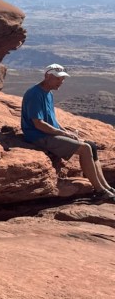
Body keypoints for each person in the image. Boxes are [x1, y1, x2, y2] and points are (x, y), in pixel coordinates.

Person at [21, 64, 115, 200]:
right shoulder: (34, 94)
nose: (61, 82)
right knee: (85, 149)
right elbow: (38, 124)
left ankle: (106, 187)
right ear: (47, 76)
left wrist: (66, 132)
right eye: (58, 78)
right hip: (38, 136)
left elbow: (52, 119)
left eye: (63, 79)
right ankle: (100, 191)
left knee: (92, 146)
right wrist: (63, 134)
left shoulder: (48, 93)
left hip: (49, 133)